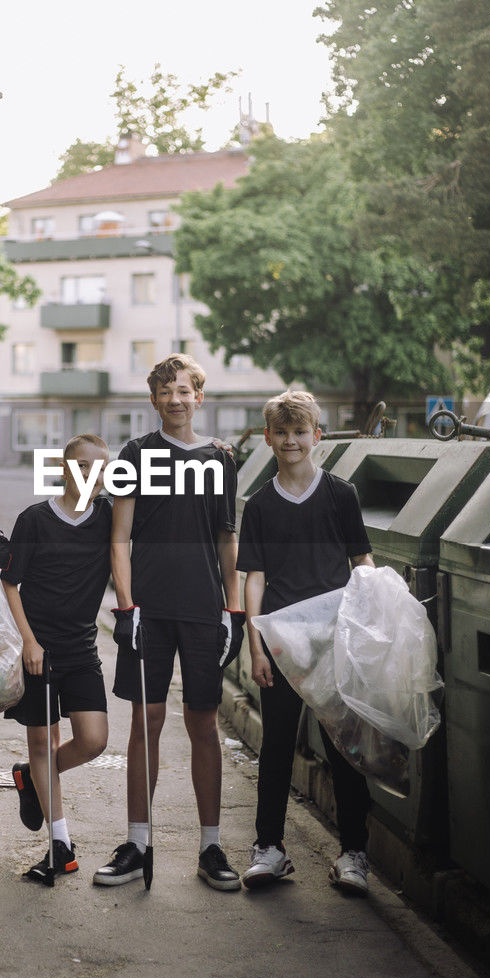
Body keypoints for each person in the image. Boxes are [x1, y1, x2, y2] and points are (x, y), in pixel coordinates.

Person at [93, 353, 245, 892]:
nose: (176, 399)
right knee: (146, 722)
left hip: (204, 611)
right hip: (148, 613)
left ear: (199, 397)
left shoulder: (220, 460)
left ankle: (211, 847)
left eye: (186, 390)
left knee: (203, 725)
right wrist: (126, 607)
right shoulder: (136, 454)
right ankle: (137, 842)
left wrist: (235, 610)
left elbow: (228, 540)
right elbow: (119, 538)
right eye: (166, 391)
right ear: (153, 400)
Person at [238, 388, 375, 894]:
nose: (292, 440)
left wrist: (371, 624)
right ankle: (269, 850)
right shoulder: (260, 505)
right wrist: (256, 645)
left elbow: (362, 565)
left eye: (301, 431)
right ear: (270, 438)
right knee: (276, 746)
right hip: (280, 641)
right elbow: (253, 578)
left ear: (317, 436)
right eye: (282, 432)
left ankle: (354, 854)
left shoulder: (341, 495)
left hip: (334, 639)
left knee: (344, 747)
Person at [0, 435, 112, 883]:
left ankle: (30, 778)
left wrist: (213, 451)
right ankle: (59, 845)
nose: (90, 475)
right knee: (43, 741)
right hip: (39, 648)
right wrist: (28, 641)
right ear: (63, 469)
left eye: (100, 469)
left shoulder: (109, 518)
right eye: (81, 466)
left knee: (94, 740)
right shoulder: (36, 520)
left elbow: (166, 489)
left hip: (82, 647)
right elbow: (11, 583)